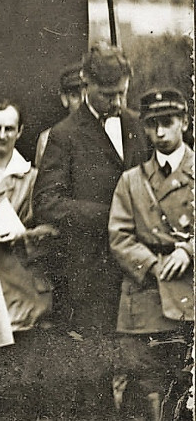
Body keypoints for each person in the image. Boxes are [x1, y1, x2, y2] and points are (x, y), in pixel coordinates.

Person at [34, 42, 149, 334]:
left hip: (142, 274)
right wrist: (111, 216)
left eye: (122, 93)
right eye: (109, 95)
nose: (118, 103)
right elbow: (46, 202)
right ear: (88, 85)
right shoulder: (64, 135)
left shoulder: (138, 125)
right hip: (90, 279)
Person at [108, 88, 193, 419]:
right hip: (144, 300)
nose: (159, 133)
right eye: (152, 124)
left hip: (189, 295)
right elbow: (119, 237)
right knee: (146, 393)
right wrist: (154, 265)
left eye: (167, 123)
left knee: (185, 391)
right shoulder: (131, 181)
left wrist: (188, 250)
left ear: (184, 123)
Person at [0, 99, 53, 331]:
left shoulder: (35, 179)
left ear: (20, 131)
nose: (2, 135)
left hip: (24, 286)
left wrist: (24, 234)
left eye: (9, 129)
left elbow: (54, 230)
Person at [34, 62, 84, 165]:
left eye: (86, 95)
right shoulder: (48, 139)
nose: (82, 103)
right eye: (75, 96)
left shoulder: (107, 134)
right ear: (65, 99)